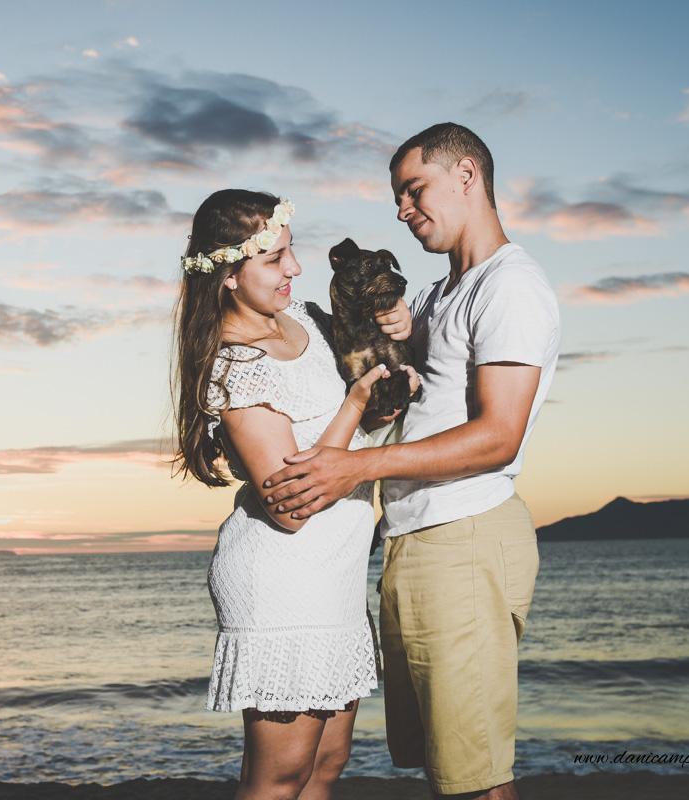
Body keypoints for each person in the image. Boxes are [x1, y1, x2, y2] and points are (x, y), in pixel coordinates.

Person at [261, 124, 562, 799]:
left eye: (413, 189)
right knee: (447, 767)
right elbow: (398, 359)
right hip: (416, 539)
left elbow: (499, 437)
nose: (402, 209)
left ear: (467, 176)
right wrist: (396, 315)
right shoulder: (443, 291)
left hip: (464, 538)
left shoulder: (510, 287)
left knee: (476, 780)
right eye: (397, 196)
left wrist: (353, 469)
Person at [172, 189, 416, 800]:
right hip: (283, 580)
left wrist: (391, 368)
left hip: (335, 575)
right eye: (275, 258)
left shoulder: (306, 317)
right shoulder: (235, 366)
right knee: (277, 781)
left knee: (326, 766)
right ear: (229, 275)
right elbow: (290, 507)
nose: (296, 268)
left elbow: (349, 421)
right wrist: (356, 402)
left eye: (291, 250)